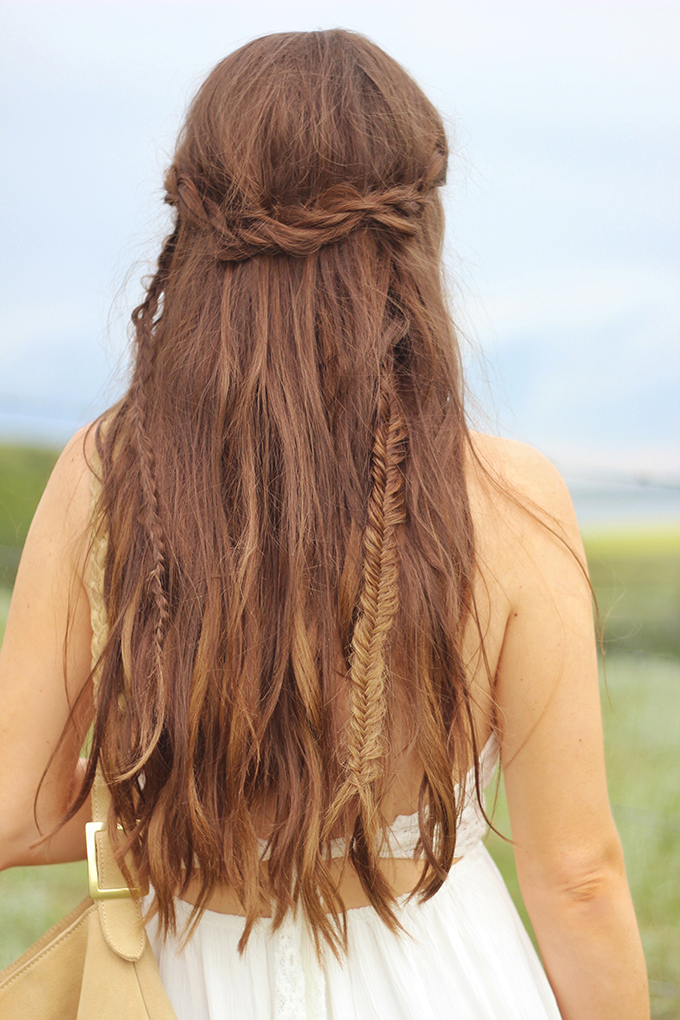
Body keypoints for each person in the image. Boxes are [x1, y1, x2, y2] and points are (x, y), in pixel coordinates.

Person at [0, 29, 648, 1020]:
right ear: (412, 232)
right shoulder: (511, 500)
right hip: (447, 980)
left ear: (197, 235)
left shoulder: (105, 476)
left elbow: (20, 808)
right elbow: (581, 879)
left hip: (178, 984)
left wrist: (159, 806)